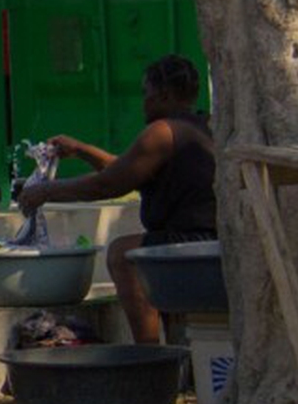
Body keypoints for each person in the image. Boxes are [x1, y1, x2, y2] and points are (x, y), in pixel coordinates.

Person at [18, 54, 217, 345]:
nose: (143, 102)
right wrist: (82, 149)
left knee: (125, 255)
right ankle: (176, 359)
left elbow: (108, 185)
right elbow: (126, 168)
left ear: (163, 94)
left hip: (195, 240)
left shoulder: (162, 132)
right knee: (143, 249)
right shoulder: (199, 124)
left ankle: (148, 353)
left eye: (145, 94)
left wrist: (46, 191)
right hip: (200, 237)